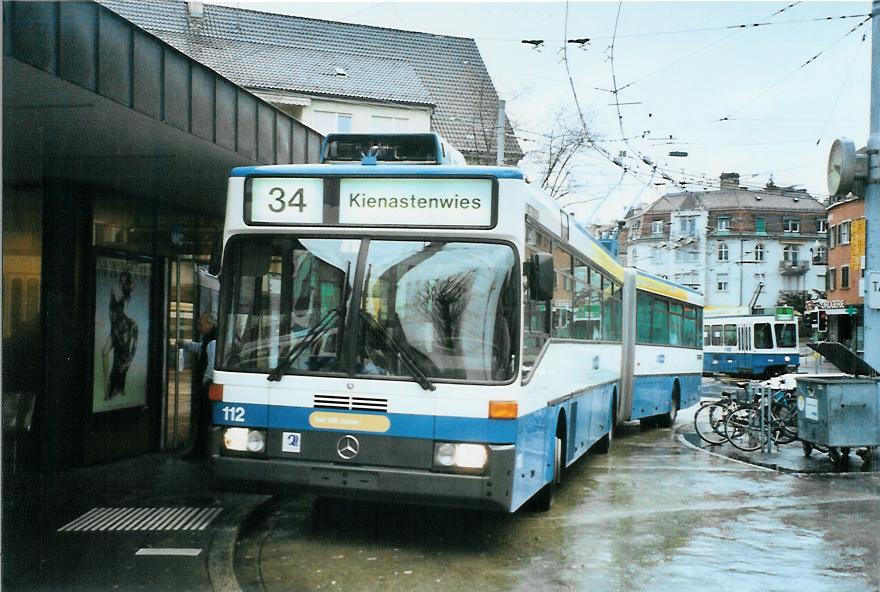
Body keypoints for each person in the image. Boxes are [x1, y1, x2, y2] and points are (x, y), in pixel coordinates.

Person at [181, 312, 217, 460]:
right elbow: (202, 348)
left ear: (209, 324)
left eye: (201, 325)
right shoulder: (210, 340)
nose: (199, 328)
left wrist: (204, 382)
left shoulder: (213, 342)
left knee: (203, 420)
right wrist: (186, 345)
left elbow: (211, 365)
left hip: (208, 387)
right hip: (208, 386)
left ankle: (199, 451)